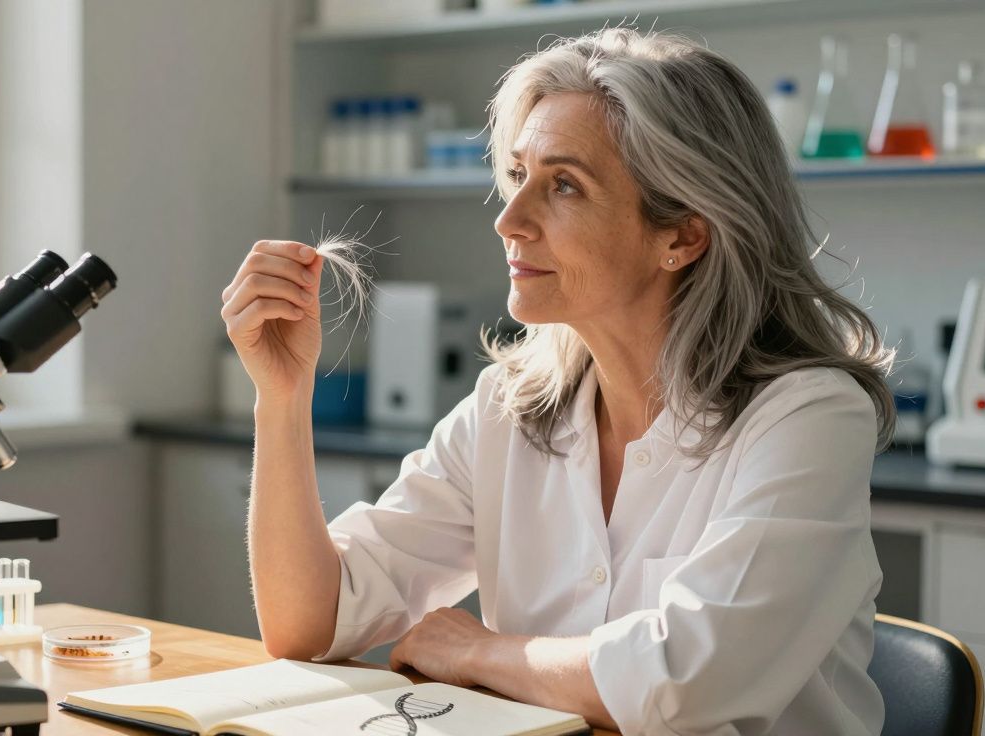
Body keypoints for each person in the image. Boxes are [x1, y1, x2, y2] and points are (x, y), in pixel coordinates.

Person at [220, 27, 894, 735]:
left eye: (564, 185)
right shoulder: (508, 411)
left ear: (683, 237)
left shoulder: (808, 416)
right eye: (518, 177)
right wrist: (283, 398)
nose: (510, 220)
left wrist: (482, 651)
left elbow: (687, 681)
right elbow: (309, 622)